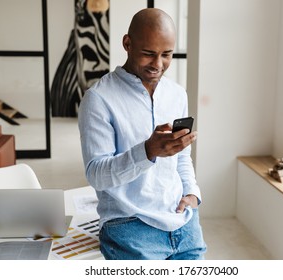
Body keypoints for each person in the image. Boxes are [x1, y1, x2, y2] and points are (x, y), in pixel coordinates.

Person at [78, 8, 206, 260]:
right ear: (127, 43)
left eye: (166, 55)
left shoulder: (177, 94)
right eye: (149, 54)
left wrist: (192, 193)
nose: (158, 65)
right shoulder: (99, 99)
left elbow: (182, 157)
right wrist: (147, 151)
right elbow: (96, 175)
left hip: (182, 221)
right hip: (129, 224)